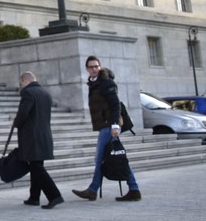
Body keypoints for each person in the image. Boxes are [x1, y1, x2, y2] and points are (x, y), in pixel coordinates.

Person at [72, 56, 142, 202]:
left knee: (101, 158)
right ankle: (133, 188)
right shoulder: (94, 84)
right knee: (115, 157)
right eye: (91, 67)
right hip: (105, 125)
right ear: (87, 69)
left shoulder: (105, 83)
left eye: (96, 66)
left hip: (109, 125)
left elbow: (115, 104)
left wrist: (115, 125)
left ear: (100, 66)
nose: (93, 69)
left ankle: (93, 190)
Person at [14, 71, 63, 209]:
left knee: (37, 167)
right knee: (36, 166)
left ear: (24, 81)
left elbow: (23, 112)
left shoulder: (28, 93)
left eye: (21, 83)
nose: (22, 86)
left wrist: (16, 123)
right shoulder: (45, 93)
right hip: (44, 135)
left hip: (32, 137)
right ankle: (34, 197)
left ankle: (54, 195)